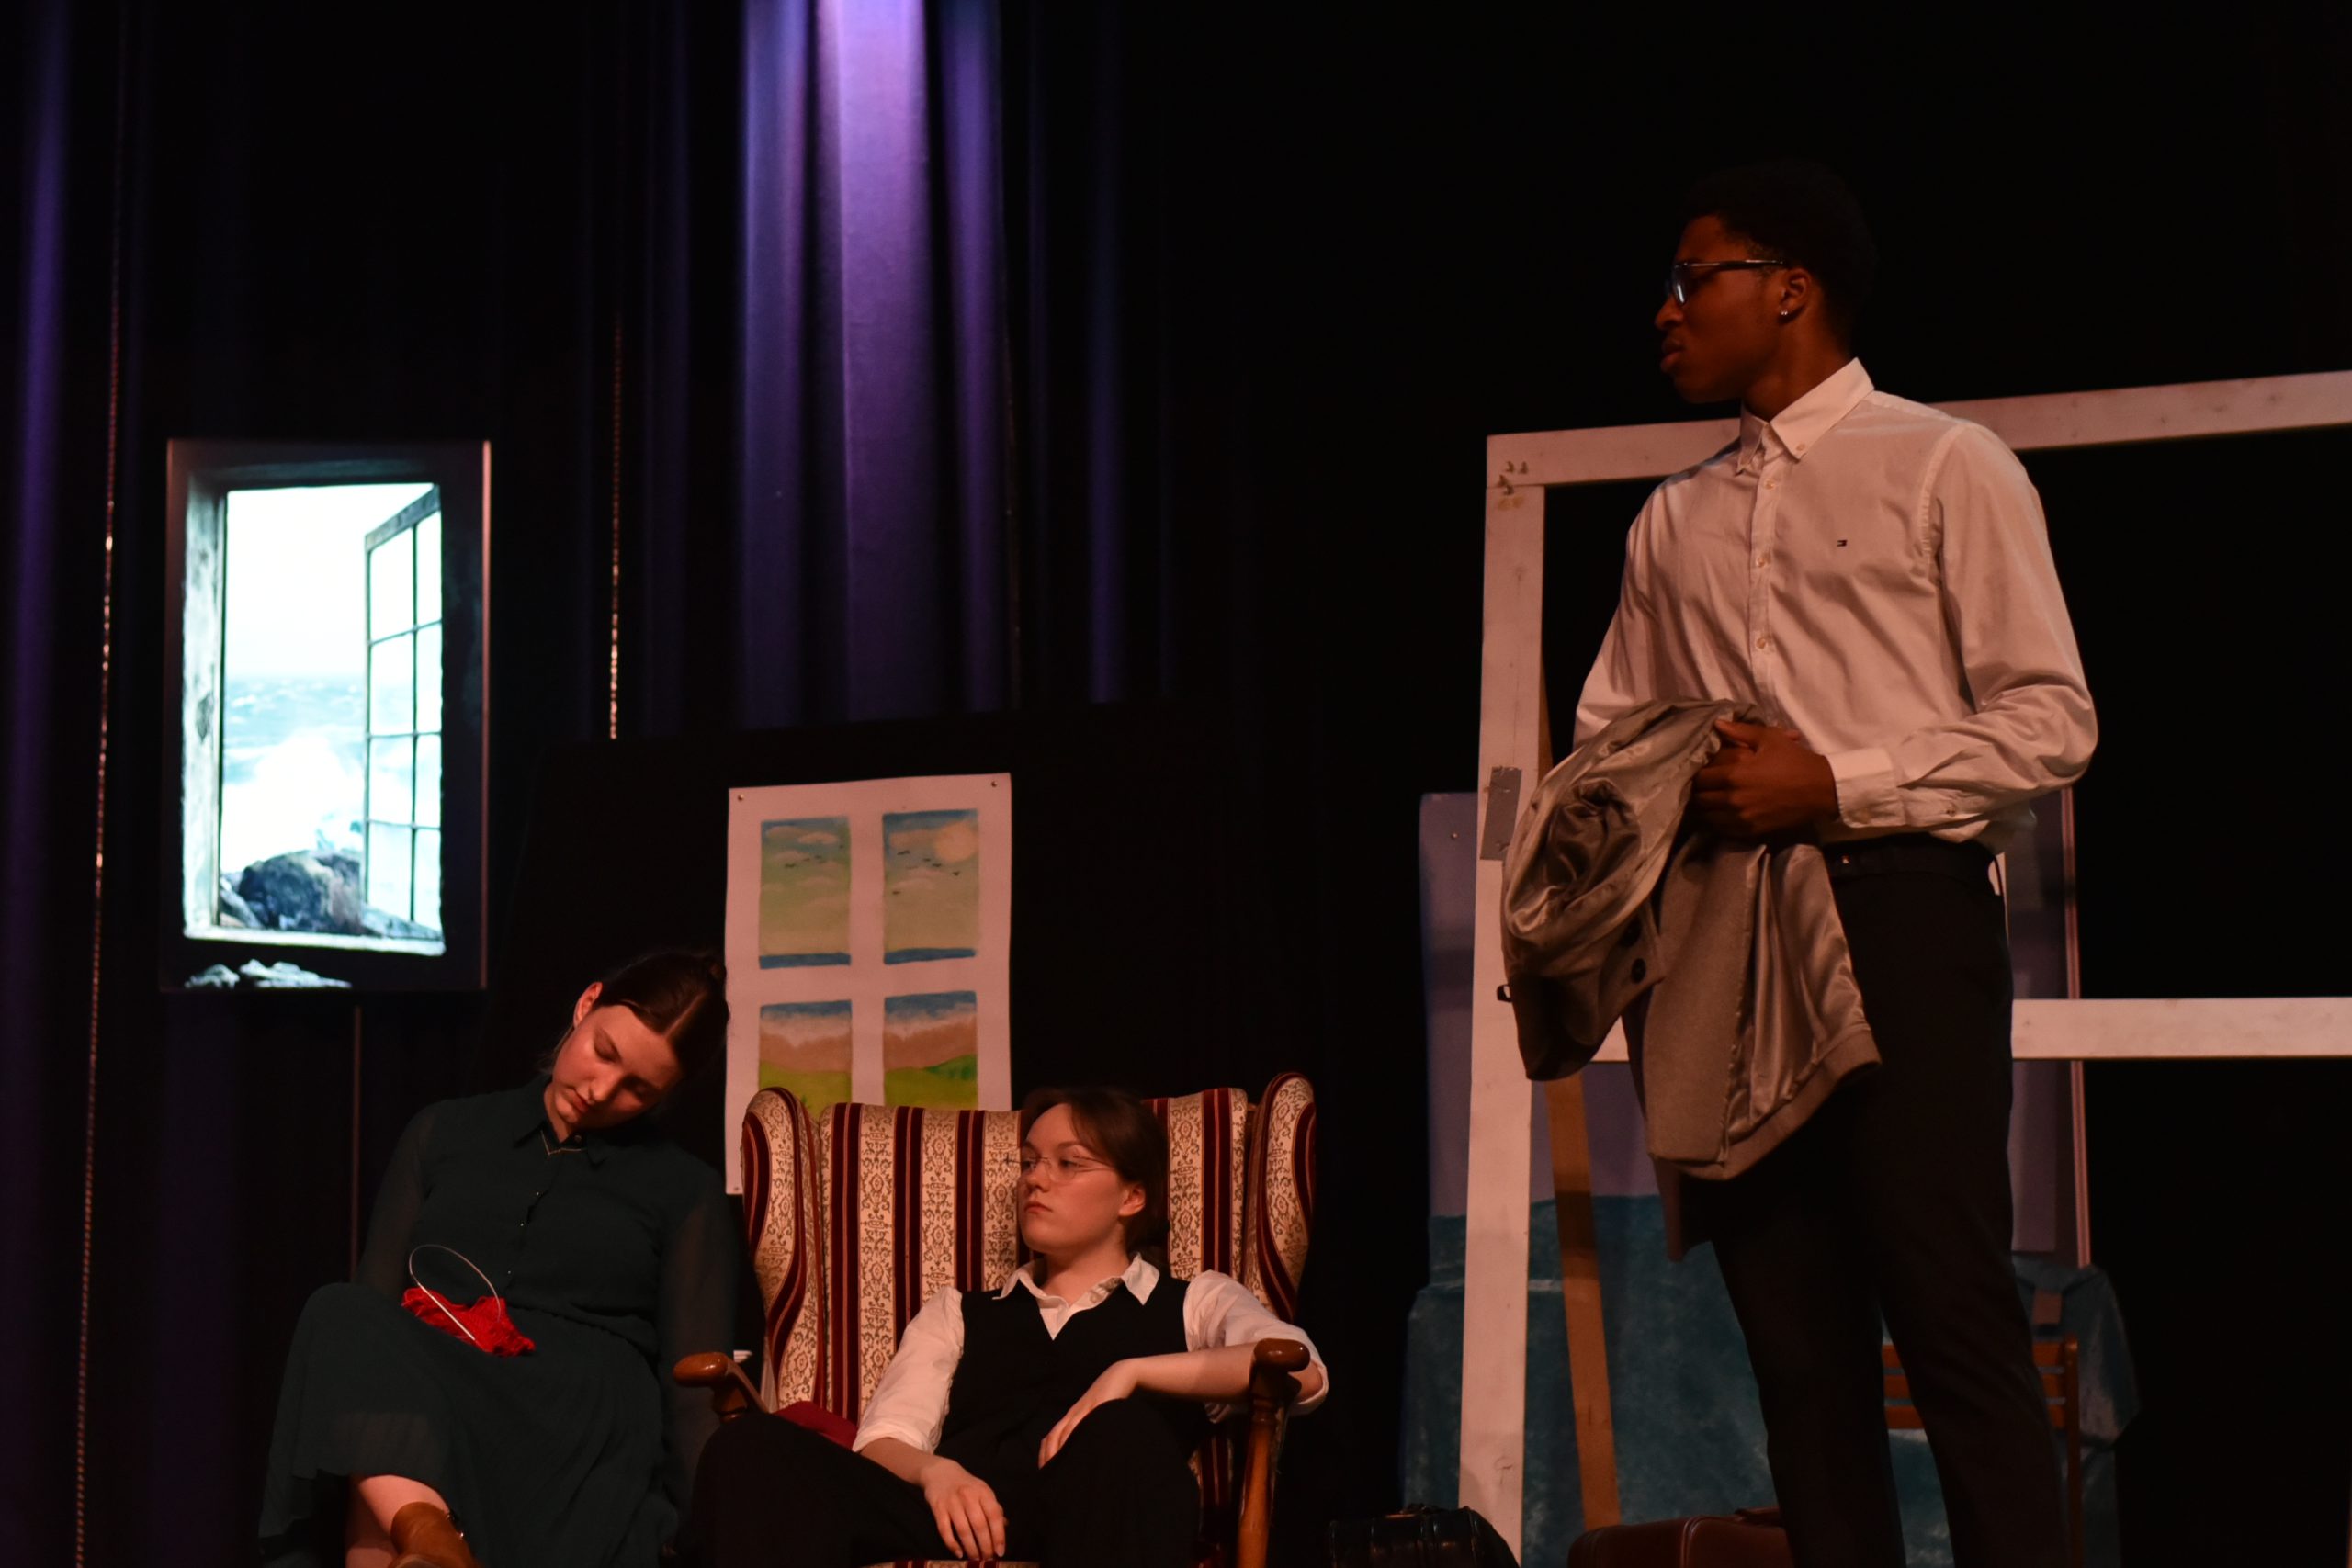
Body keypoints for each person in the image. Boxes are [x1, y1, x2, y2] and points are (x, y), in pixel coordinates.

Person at [1577, 161, 2096, 1568]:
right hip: (1730, 935)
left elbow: (2052, 718)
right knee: (1795, 1341)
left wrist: (1835, 779)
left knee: (1949, 1308)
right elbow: (1610, 734)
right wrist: (1674, 787)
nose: (1666, 311)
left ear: (1790, 288)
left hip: (1900, 913)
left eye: (1694, 280)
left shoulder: (1944, 462)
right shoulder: (1671, 518)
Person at [681, 1086, 1329, 1568]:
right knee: (751, 1447)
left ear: (1132, 1197)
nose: (1036, 1180)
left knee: (1123, 1433)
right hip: (957, 1514)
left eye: (1069, 1163)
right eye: (1029, 1162)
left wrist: (1128, 1373)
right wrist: (939, 1475)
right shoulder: (959, 1310)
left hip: (1094, 1522)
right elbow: (883, 1440)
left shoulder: (1192, 1301)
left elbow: (1299, 1368)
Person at [257, 951, 742, 1568]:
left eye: (638, 1089)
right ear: (587, 1003)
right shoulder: (444, 1131)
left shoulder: (684, 1189)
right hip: (436, 1399)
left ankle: (429, 1540)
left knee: (389, 1444)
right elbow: (371, 1315)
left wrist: (708, 1543)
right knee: (344, 1321)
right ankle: (430, 1535)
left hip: (577, 1430)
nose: (601, 1091)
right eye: (604, 1052)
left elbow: (691, 1391)